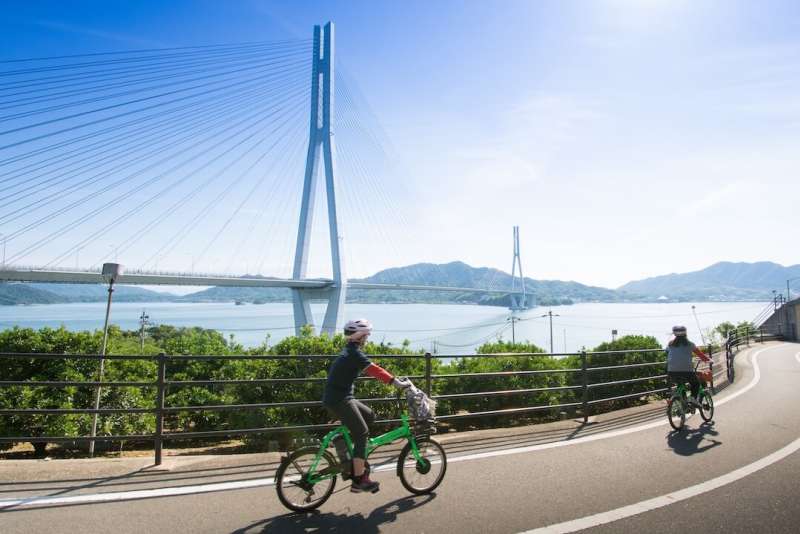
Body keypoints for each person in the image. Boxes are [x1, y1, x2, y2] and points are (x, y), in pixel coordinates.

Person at [322, 318, 409, 493]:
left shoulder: (350, 350)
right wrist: (396, 382)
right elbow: (374, 370)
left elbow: (371, 369)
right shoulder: (354, 353)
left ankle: (343, 444)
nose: (367, 338)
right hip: (339, 399)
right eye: (366, 335)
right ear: (359, 335)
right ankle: (359, 480)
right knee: (361, 434)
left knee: (369, 415)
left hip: (342, 396)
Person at [666, 325, 711, 406]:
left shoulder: (670, 344)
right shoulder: (690, 344)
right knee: (695, 384)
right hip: (687, 371)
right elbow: (701, 355)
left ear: (674, 334)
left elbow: (667, 352)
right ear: (685, 333)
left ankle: (682, 404)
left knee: (680, 383)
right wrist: (709, 360)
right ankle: (693, 399)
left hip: (671, 372)